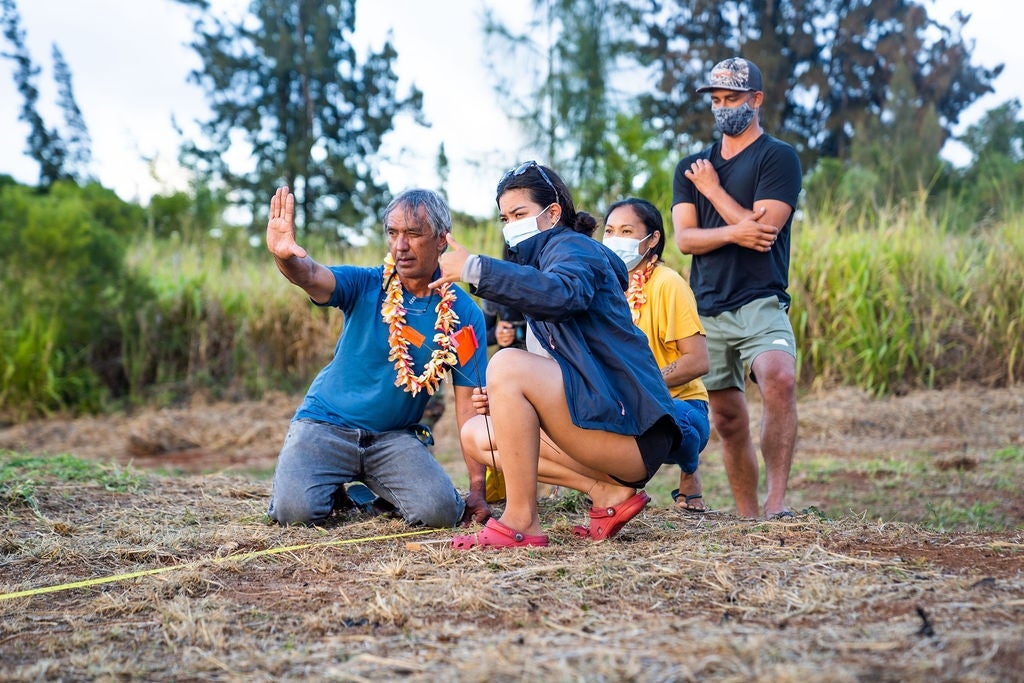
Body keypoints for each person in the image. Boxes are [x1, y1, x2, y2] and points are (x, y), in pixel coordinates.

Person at [431, 161, 682, 549]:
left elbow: (565, 293)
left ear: (552, 214)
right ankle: (607, 494)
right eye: (504, 217)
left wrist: (474, 268)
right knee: (476, 434)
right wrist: (504, 399)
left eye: (520, 214)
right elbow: (561, 369)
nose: (510, 225)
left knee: (507, 364)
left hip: (632, 432)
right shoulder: (548, 259)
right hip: (604, 421)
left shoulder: (574, 249)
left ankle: (520, 520)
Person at [264, 186, 491, 528]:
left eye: (414, 234)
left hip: (393, 439)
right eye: (393, 233)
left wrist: (477, 488)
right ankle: (328, 486)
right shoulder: (366, 283)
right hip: (326, 425)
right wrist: (285, 257)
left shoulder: (463, 314)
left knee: (441, 512)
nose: (400, 246)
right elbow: (311, 275)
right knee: (295, 513)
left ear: (442, 240)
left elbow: (469, 404)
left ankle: (366, 494)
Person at [671, 57, 803, 520]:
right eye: (718, 100)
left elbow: (763, 231)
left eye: (733, 99)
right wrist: (732, 228)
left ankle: (777, 502)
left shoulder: (777, 157)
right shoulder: (691, 166)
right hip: (706, 306)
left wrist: (712, 191)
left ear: (756, 101)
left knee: (779, 378)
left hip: (761, 298)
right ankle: (748, 517)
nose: (724, 107)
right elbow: (686, 239)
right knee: (727, 418)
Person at [602, 198, 711, 512]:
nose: (615, 240)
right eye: (609, 231)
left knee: (675, 425)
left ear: (652, 240)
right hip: (622, 404)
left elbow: (698, 359)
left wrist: (643, 386)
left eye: (626, 231)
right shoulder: (604, 286)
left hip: (679, 404)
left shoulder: (668, 284)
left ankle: (689, 468)